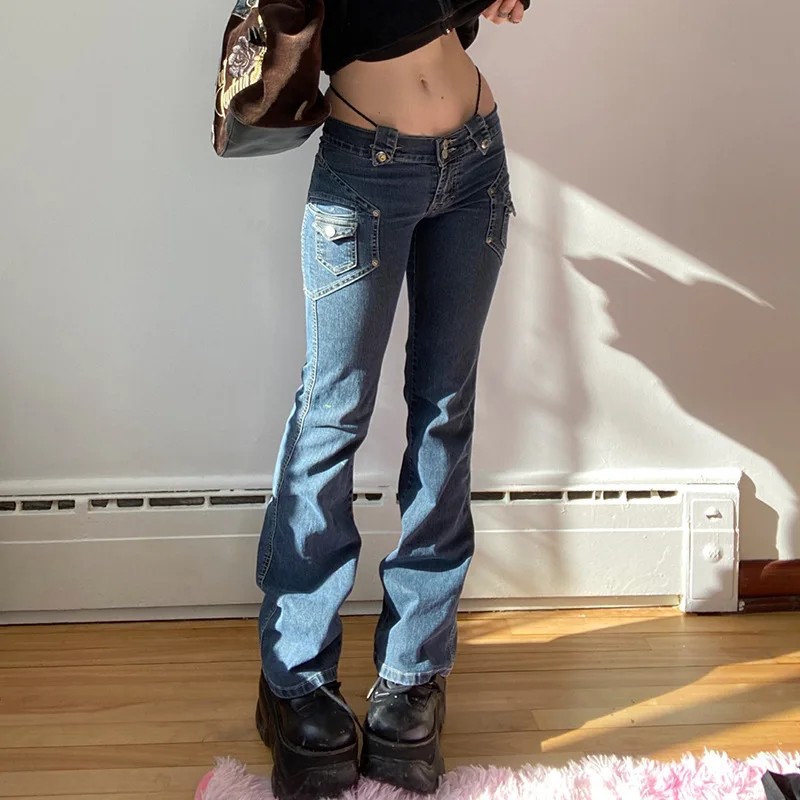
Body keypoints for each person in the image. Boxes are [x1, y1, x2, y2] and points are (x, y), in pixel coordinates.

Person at [254, 1, 525, 798]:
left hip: (476, 157)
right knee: (331, 415)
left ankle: (415, 672)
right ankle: (295, 678)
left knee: (445, 412)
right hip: (365, 165)